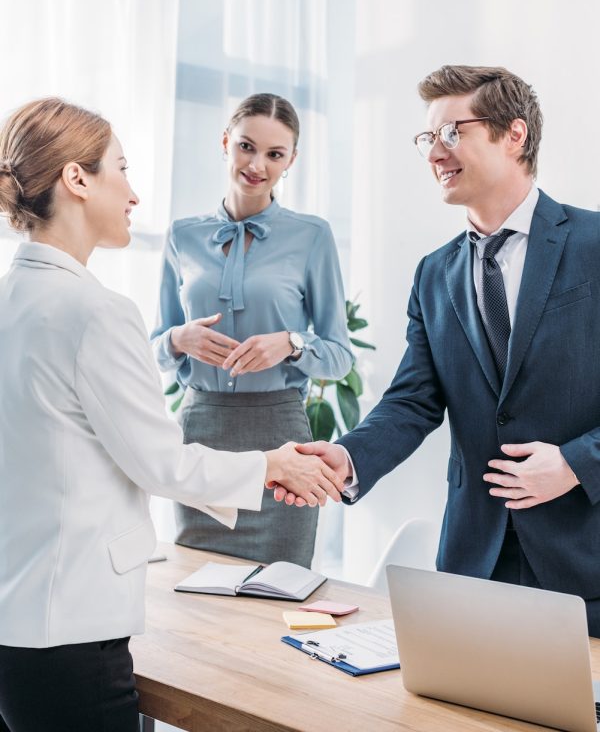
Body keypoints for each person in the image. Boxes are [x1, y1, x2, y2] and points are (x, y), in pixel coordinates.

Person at [0, 97, 344, 732]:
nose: (133, 192)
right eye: (121, 168)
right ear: (77, 179)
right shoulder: (97, 309)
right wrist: (272, 465)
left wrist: (291, 345)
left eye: (275, 153)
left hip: (23, 614)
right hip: (74, 622)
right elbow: (161, 462)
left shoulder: (17, 294)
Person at [281, 65, 600, 637]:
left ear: (514, 135)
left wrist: (577, 464)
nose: (434, 153)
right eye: (427, 138)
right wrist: (349, 457)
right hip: (474, 563)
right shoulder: (435, 274)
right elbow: (413, 401)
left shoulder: (595, 246)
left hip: (586, 560)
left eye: (452, 132)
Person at [151, 93, 352, 568]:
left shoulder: (312, 236)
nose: (257, 164)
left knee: (281, 594)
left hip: (281, 433)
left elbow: (339, 354)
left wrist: (291, 343)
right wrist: (180, 340)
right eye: (246, 146)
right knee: (197, 592)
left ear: (291, 160)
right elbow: (153, 348)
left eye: (274, 154)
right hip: (202, 434)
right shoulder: (182, 235)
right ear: (225, 142)